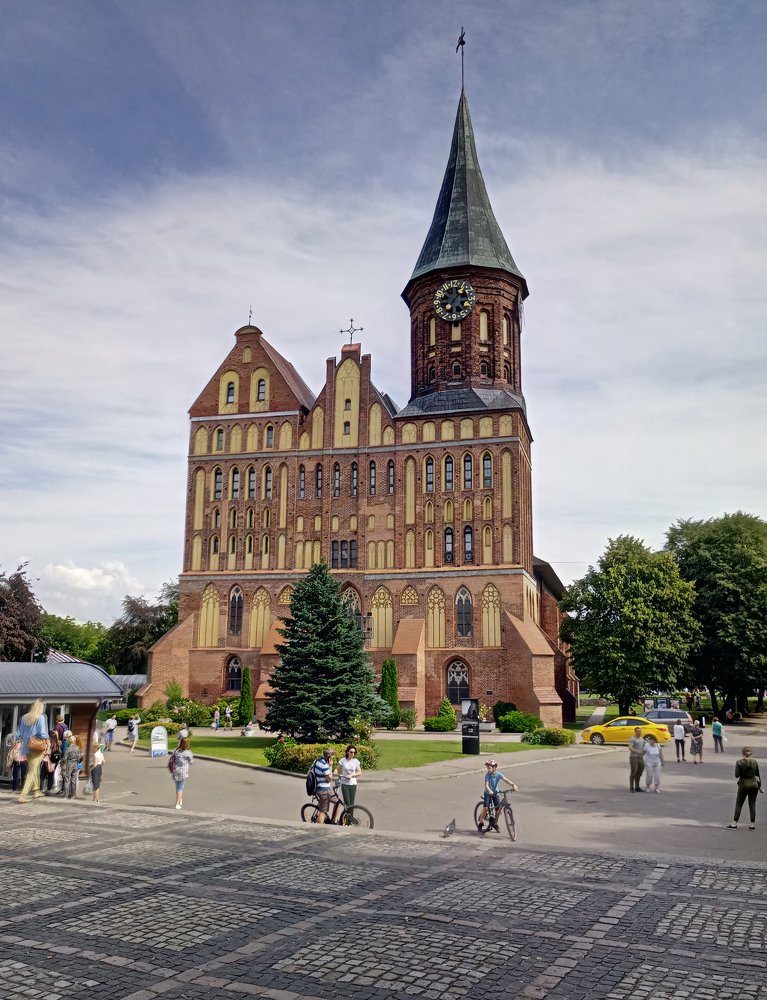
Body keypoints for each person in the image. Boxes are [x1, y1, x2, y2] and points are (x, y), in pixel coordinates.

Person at [16, 699, 49, 803]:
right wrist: (46, 742)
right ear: (41, 707)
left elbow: (19, 733)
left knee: (33, 769)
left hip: (26, 747)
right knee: (32, 771)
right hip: (36, 747)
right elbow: (42, 734)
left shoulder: (23, 718)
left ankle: (36, 791)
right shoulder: (40, 717)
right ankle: (22, 795)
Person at [477, 759, 517, 831]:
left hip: (495, 793)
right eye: (487, 768)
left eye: (489, 768)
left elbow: (506, 780)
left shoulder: (498, 774)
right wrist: (489, 791)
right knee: (486, 808)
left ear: (494, 768)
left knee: (498, 810)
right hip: (488, 793)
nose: (488, 769)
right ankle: (481, 821)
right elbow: (486, 785)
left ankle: (494, 823)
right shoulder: (487, 775)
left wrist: (513, 785)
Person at [727, 747, 761, 830]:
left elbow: (737, 775)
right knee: (752, 804)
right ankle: (752, 825)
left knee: (739, 804)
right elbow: (757, 774)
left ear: (742, 753)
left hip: (743, 784)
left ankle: (734, 824)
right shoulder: (755, 762)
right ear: (751, 753)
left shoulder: (739, 763)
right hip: (754, 784)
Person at [310, 748, 335, 824]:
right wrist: (330, 766)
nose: (333, 758)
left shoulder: (316, 761)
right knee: (322, 812)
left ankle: (333, 821)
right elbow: (330, 779)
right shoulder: (324, 765)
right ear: (329, 757)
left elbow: (309, 772)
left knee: (338, 802)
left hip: (320, 788)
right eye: (333, 756)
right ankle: (318, 828)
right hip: (323, 790)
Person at [169, 736, 194, 809]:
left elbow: (172, 758)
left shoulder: (176, 750)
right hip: (183, 772)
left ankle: (180, 798)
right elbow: (191, 762)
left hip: (175, 771)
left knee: (178, 787)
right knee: (180, 788)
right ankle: (177, 803)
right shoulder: (188, 753)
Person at [336, 745, 362, 813]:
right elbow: (337, 769)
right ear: (347, 752)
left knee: (351, 804)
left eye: (354, 752)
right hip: (345, 784)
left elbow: (359, 772)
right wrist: (336, 772)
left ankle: (350, 818)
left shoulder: (356, 761)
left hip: (353, 784)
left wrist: (352, 775)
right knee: (347, 803)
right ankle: (347, 818)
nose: (353, 754)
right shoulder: (343, 760)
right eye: (351, 752)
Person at [62, 733, 82, 799]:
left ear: (69, 741)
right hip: (75, 765)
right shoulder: (77, 748)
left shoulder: (68, 749)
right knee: (73, 780)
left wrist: (62, 762)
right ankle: (73, 795)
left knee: (67, 780)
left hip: (69, 765)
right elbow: (79, 758)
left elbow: (65, 758)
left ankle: (66, 795)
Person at [628, 727, 646, 792]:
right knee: (633, 772)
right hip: (634, 757)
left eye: (640, 731)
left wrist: (643, 753)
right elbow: (630, 748)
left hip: (640, 757)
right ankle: (631, 787)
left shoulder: (642, 739)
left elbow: (644, 747)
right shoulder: (632, 739)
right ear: (635, 732)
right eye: (638, 731)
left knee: (639, 772)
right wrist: (637, 751)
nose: (639, 732)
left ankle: (637, 787)